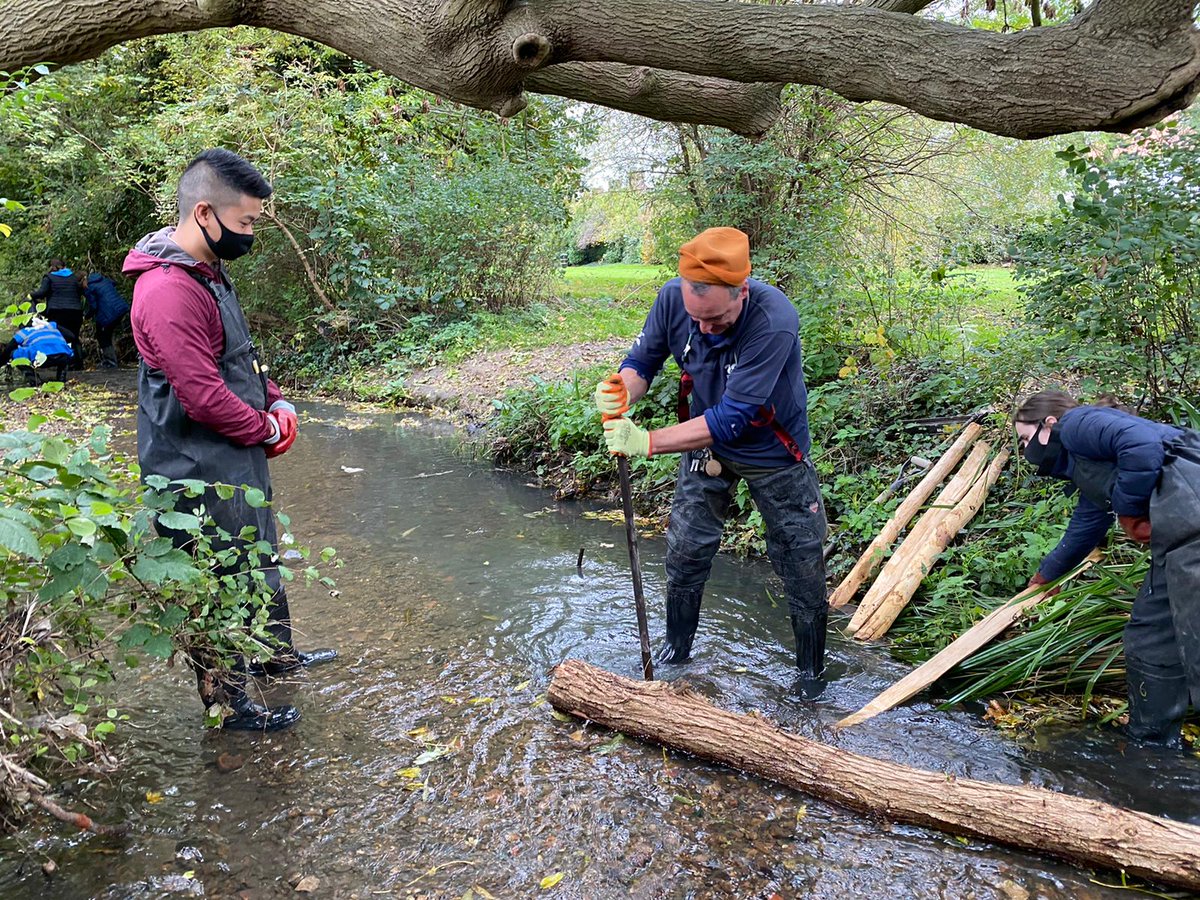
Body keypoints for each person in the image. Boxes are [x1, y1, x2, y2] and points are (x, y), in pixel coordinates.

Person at [123, 148, 336, 732]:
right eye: (244, 223)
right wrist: (264, 428)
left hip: (232, 451)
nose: (249, 234)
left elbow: (236, 363)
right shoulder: (168, 291)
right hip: (191, 460)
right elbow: (201, 394)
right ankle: (228, 704)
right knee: (215, 575)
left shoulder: (208, 271)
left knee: (257, 549)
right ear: (202, 214)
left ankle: (272, 656)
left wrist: (275, 400)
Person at [596, 227, 829, 677]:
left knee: (799, 558)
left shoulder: (773, 319)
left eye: (716, 321)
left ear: (741, 292)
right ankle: (676, 654)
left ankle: (810, 674)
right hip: (704, 449)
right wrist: (621, 392)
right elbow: (643, 364)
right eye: (695, 319)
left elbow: (732, 417)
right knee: (685, 549)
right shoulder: (671, 299)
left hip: (773, 452)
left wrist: (646, 441)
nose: (704, 329)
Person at [1016, 389, 1200, 745]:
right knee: (1150, 635)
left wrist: (1130, 511)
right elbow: (1085, 526)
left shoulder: (1077, 424)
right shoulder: (1088, 470)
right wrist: (1045, 577)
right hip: (1178, 539)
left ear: (1048, 424)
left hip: (1192, 520)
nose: (1027, 452)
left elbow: (1142, 443)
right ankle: (1151, 746)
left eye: (1026, 439)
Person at [29, 259, 85, 365]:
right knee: (74, 337)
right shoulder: (73, 278)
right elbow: (80, 292)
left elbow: (41, 293)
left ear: (51, 267)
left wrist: (31, 295)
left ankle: (61, 362)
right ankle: (78, 363)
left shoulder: (49, 277)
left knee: (59, 336)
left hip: (57, 312)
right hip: (75, 312)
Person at [0, 315, 74, 384]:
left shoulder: (24, 332)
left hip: (40, 357)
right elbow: (72, 336)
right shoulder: (51, 326)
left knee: (14, 353)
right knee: (62, 348)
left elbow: (8, 349)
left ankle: (35, 380)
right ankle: (61, 378)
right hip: (62, 355)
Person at [83, 271, 131, 368]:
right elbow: (114, 282)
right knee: (107, 335)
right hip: (121, 309)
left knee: (103, 337)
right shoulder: (103, 280)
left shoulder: (89, 288)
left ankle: (111, 362)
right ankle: (111, 359)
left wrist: (86, 316)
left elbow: (93, 306)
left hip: (109, 313)